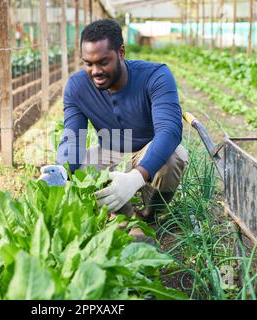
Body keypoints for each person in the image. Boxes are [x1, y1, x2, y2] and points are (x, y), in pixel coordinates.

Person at [38, 19, 188, 237]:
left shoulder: (156, 76)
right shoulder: (77, 86)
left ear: (121, 53)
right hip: (110, 152)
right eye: (88, 63)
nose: (95, 71)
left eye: (103, 62)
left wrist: (137, 176)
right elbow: (74, 138)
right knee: (80, 170)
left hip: (147, 148)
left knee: (173, 158)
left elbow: (170, 130)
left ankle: (148, 217)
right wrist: (62, 169)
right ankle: (121, 215)